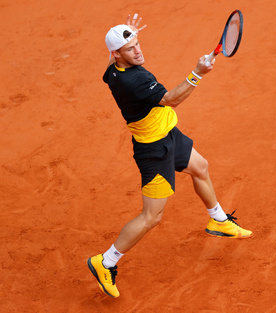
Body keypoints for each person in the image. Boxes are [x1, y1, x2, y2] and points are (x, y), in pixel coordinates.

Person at [87, 13, 252, 298]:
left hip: (167, 135)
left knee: (200, 167)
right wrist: (198, 72)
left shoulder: (114, 69)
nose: (138, 50)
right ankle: (106, 261)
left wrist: (125, 35)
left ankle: (218, 220)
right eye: (130, 48)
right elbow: (172, 99)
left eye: (138, 43)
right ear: (116, 54)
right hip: (154, 150)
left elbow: (121, 57)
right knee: (152, 217)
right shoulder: (136, 80)